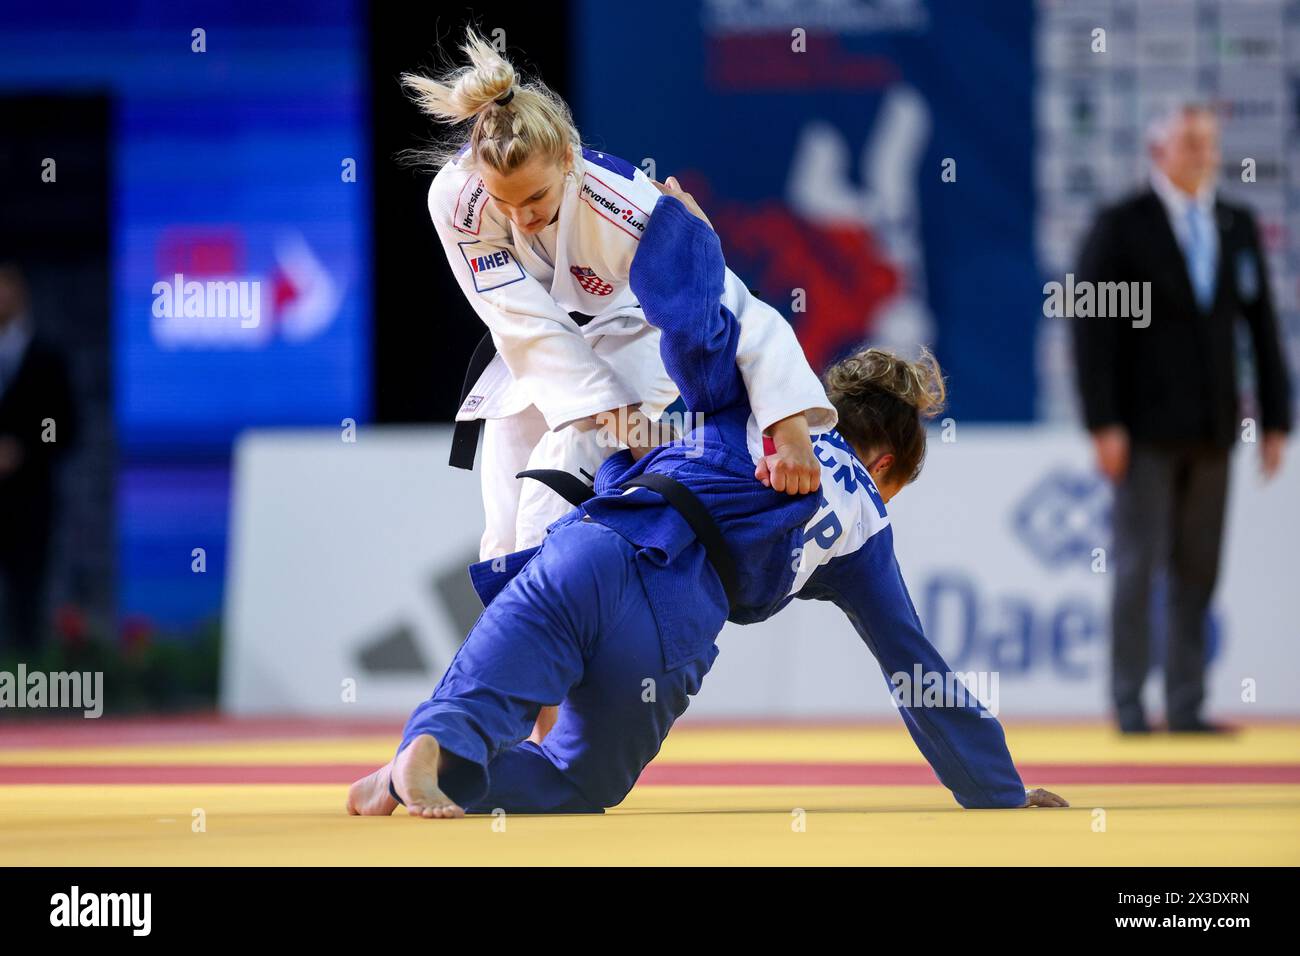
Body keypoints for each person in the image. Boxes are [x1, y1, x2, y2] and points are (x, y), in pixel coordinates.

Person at [346, 181, 1067, 818]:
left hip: (594, 541)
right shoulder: (863, 523)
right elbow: (915, 669)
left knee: (493, 679)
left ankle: (425, 754)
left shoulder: (753, 405)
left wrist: (676, 232)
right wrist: (996, 789)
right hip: (665, 628)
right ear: (881, 464)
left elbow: (695, 326)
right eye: (895, 486)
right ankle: (465, 775)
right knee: (576, 778)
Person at [404, 27, 835, 564]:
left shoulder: (627, 208)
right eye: (506, 202)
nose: (522, 217)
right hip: (542, 347)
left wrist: (787, 426)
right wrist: (623, 420)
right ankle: (509, 633)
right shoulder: (455, 198)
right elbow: (521, 323)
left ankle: (552, 622)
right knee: (503, 523)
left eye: (536, 197)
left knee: (556, 470)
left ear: (567, 158)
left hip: (635, 330)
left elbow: (731, 303)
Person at [1072, 103, 1292, 734]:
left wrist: (1275, 419)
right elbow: (1092, 334)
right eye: (1188, 142)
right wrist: (1103, 423)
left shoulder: (1235, 224)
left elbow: (1261, 327)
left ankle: (1188, 702)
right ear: (1157, 150)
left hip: (1214, 427)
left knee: (1199, 568)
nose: (1200, 153)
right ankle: (1130, 703)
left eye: (1208, 143)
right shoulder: (1121, 225)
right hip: (1142, 430)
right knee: (1140, 566)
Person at [0, 262, 77, 651]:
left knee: (28, 590)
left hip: (29, 498)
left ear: (21, 295)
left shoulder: (46, 358)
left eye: (6, 288)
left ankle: (24, 684)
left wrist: (24, 450)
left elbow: (59, 425)